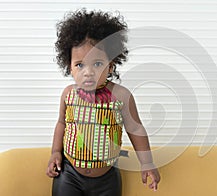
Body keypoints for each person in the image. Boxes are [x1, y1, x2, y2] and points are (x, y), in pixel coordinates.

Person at [46, 8, 160, 196]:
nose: (88, 71)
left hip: (107, 177)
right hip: (69, 174)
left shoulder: (121, 96)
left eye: (97, 64)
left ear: (111, 65)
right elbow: (61, 123)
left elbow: (136, 128)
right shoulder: (68, 94)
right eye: (80, 65)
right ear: (70, 67)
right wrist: (55, 153)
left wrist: (147, 162)